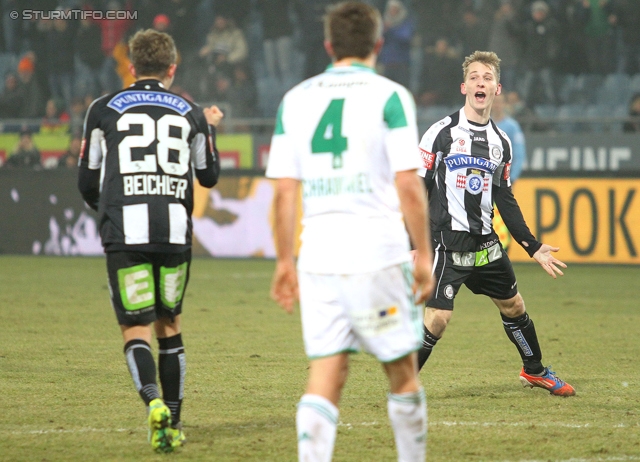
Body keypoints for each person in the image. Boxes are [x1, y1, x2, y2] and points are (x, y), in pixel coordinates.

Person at [266, 3, 434, 461]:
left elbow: (284, 193)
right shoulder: (391, 96)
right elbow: (409, 185)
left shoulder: (295, 99)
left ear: (327, 45)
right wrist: (423, 255)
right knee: (400, 368)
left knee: (326, 372)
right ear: (378, 45)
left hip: (318, 256)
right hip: (378, 253)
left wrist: (284, 262)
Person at [77, 29, 223, 453]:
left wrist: (107, 210)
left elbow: (87, 179)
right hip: (175, 232)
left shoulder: (102, 109)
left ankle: (153, 402)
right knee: (170, 325)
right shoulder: (192, 112)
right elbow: (209, 177)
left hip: (125, 234)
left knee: (134, 326)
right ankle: (173, 424)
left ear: (131, 65)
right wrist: (209, 129)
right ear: (172, 69)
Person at [416, 50, 576, 397]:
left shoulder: (501, 143)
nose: (480, 82)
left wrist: (532, 246)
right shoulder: (440, 133)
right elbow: (419, 188)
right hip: (448, 241)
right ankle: (403, 383)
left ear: (496, 89)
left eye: (487, 77)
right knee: (439, 319)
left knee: (514, 305)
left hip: (486, 243)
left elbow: (505, 198)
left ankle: (534, 371)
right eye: (474, 76)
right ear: (464, 86)